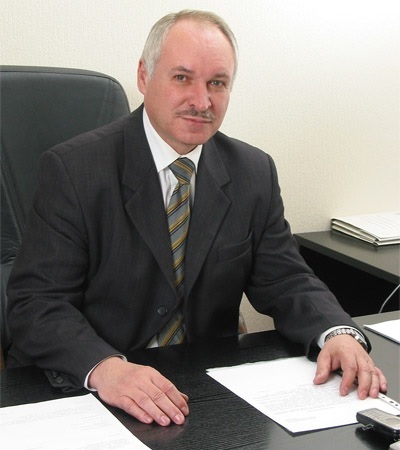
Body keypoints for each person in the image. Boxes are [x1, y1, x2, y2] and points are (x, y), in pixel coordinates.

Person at [7, 9, 386, 427]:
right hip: (94, 389)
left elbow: (286, 279)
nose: (202, 101)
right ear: (144, 76)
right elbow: (35, 304)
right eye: (182, 78)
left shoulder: (253, 171)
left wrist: (337, 333)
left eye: (217, 83)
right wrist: (105, 368)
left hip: (203, 390)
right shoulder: (74, 169)